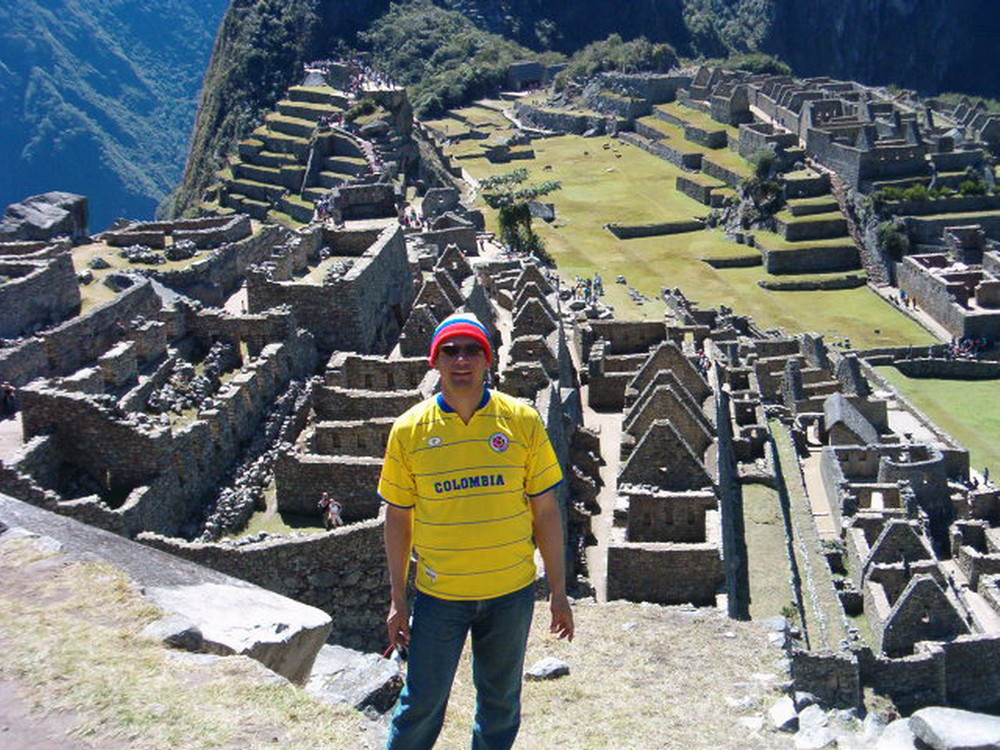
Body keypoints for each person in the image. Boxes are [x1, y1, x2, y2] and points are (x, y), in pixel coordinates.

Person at [379, 312, 574, 750]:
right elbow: (398, 517)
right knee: (422, 701)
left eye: (472, 350)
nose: (461, 359)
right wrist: (397, 598)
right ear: (435, 361)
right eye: (450, 350)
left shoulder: (521, 421)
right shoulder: (408, 431)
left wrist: (558, 591)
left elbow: (545, 511)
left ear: (488, 360)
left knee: (500, 703)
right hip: (440, 594)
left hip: (511, 592)